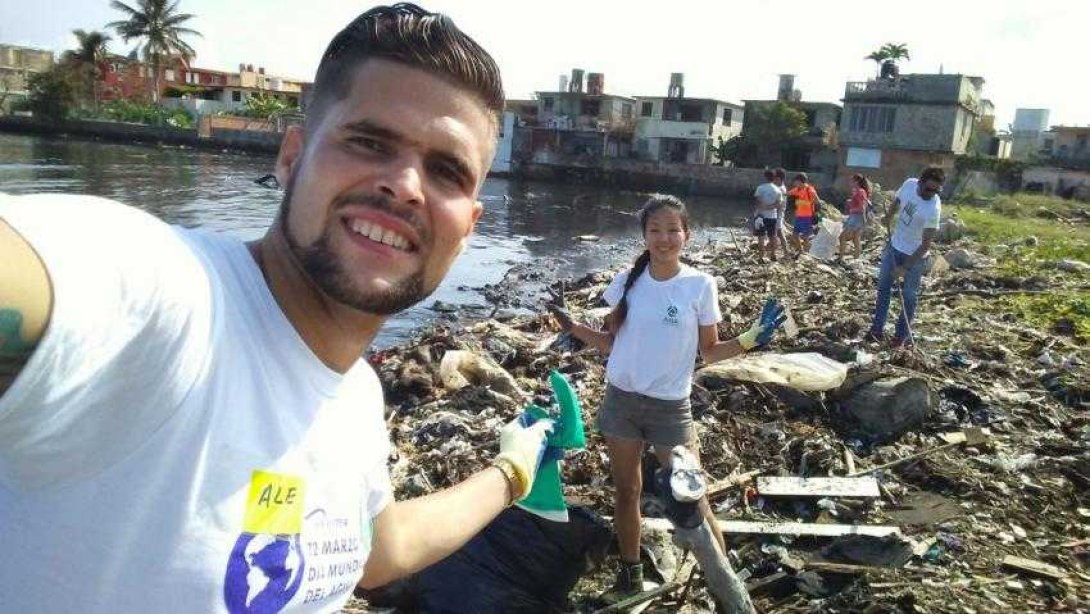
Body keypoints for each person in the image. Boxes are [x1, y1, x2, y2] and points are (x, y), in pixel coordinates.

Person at [0, 5, 553, 612]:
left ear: (469, 227)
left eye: (446, 170)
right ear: (291, 158)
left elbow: (379, 549)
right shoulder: (167, 300)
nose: (405, 185)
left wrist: (512, 472)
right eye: (369, 141)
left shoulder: (356, 397)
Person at [548, 195, 785, 601]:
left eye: (673, 229)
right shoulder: (626, 282)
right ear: (644, 236)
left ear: (686, 235)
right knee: (627, 492)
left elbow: (709, 352)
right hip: (621, 401)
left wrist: (748, 340)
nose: (664, 238)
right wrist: (573, 327)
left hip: (670, 409)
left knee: (694, 497)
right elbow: (609, 344)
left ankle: (724, 586)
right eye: (655, 230)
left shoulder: (699, 285)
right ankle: (631, 572)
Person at [865, 166, 945, 348]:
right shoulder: (909, 184)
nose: (931, 193)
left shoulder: (933, 209)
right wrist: (889, 216)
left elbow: (926, 244)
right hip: (894, 246)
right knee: (883, 289)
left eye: (936, 190)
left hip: (916, 257)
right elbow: (898, 200)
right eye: (928, 189)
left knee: (909, 297)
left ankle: (900, 337)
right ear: (920, 183)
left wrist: (905, 267)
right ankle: (876, 330)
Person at [786, 172, 822, 255]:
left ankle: (808, 253)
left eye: (795, 181)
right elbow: (787, 193)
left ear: (799, 181)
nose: (794, 183)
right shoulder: (798, 189)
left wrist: (804, 203)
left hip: (808, 217)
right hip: (799, 216)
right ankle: (801, 251)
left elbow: (818, 201)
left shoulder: (810, 190)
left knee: (805, 237)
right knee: (795, 235)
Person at [752, 169, 784, 261]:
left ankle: (761, 257)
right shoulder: (778, 190)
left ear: (765, 177)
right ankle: (773, 255)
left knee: (761, 237)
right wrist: (770, 207)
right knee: (772, 236)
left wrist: (763, 207)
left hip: (760, 216)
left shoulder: (760, 188)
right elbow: (779, 205)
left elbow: (757, 201)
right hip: (772, 216)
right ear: (774, 178)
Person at [838, 173, 871, 259]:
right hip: (856, 217)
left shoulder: (861, 191)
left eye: (852, 181)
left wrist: (853, 210)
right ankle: (856, 259)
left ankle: (840, 258)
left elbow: (862, 206)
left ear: (856, 182)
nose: (850, 182)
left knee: (842, 237)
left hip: (857, 217)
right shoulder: (857, 191)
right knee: (856, 239)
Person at [772, 168, 793, 259]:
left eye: (774, 178)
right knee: (777, 234)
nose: (773, 180)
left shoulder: (781, 190)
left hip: (777, 214)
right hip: (777, 214)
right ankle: (782, 253)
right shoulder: (780, 188)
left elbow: (779, 205)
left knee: (777, 234)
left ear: (779, 178)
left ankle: (777, 254)